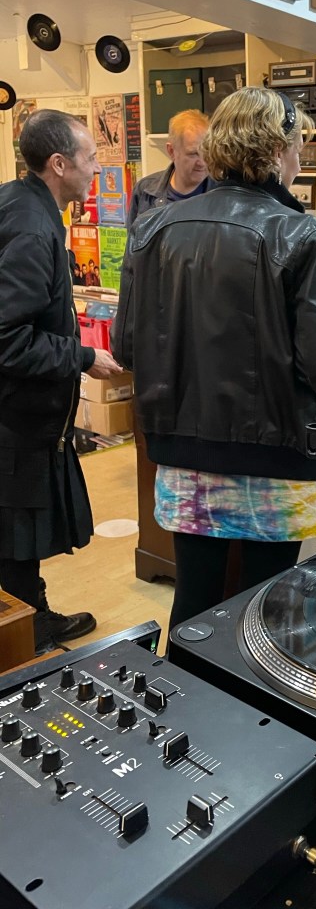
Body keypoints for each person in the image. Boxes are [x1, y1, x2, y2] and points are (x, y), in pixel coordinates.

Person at [112, 88, 316, 629]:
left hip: (183, 454)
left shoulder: (152, 228)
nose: (300, 160)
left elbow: (127, 347)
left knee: (194, 602)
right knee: (265, 612)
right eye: (297, 147)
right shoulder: (301, 232)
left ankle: (180, 686)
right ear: (275, 150)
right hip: (280, 459)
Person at [0, 110, 123, 654]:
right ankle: (28, 636)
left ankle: (32, 619)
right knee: (14, 535)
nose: (97, 168)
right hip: (16, 419)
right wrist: (83, 355)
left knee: (15, 534)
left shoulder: (19, 201)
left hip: (19, 416)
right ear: (58, 163)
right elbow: (7, 338)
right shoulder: (32, 228)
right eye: (90, 158)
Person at [126, 109, 213, 228]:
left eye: (207, 152)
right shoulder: (145, 192)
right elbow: (133, 238)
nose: (202, 162)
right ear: (171, 151)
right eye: (193, 154)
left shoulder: (223, 193)